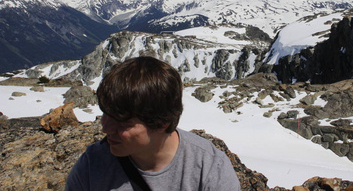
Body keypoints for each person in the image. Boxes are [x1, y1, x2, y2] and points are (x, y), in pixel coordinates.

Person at [66, 56, 241, 191]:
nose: (106, 128)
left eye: (122, 122)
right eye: (105, 113)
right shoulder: (92, 164)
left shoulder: (209, 169)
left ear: (161, 122)